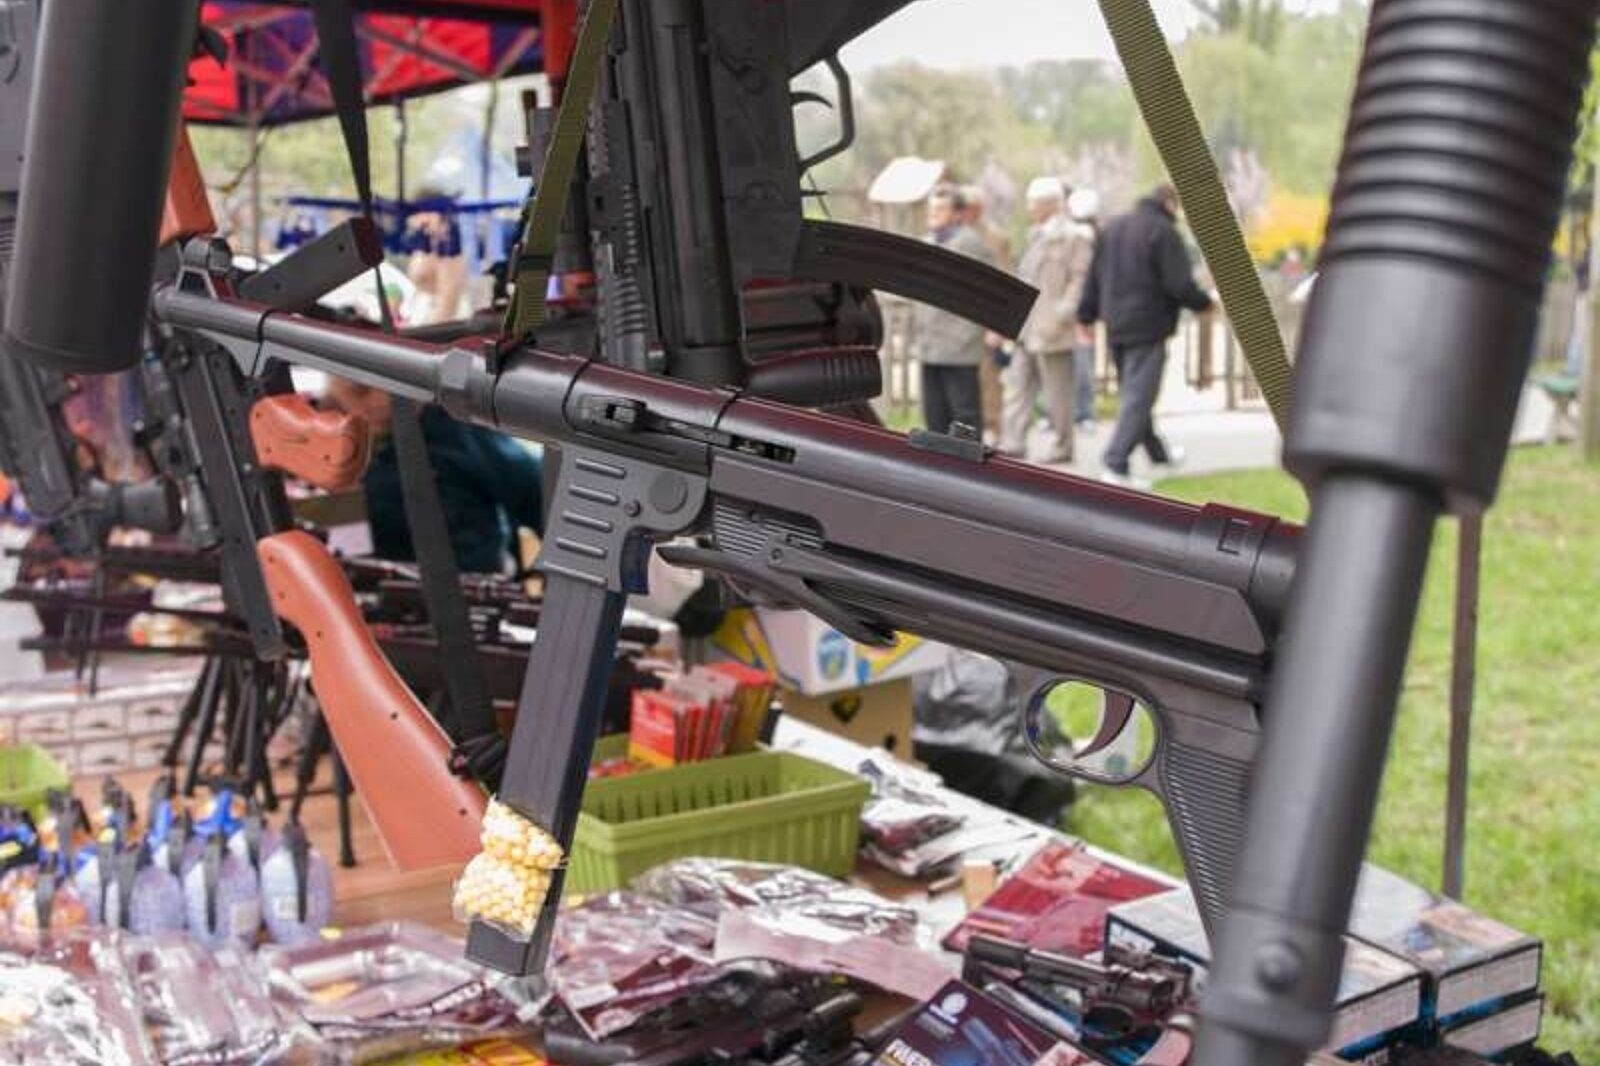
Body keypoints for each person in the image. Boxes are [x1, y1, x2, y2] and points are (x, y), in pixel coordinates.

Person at [326, 379, 544, 575]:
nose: (370, 403)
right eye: (355, 393)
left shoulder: (464, 433)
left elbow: (541, 499)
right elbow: (344, 546)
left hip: (471, 590)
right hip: (374, 592)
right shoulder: (331, 445)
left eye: (367, 389)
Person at [1077, 184, 1212, 488]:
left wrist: (1085, 315)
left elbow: (1094, 277)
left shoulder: (1112, 228)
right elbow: (1179, 284)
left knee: (1135, 393)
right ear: (1169, 203)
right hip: (1149, 325)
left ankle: (1158, 454)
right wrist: (1204, 303)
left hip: (1115, 324)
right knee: (1139, 397)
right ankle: (1115, 463)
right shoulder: (1163, 231)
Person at [999, 177, 1094, 463]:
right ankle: (1013, 442)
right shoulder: (1036, 235)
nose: (1029, 208)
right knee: (1018, 387)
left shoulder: (1075, 236)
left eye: (1034, 203)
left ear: (1051, 204)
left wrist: (1063, 313)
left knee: (1058, 393)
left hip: (1053, 328)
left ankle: (1062, 447)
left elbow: (1080, 279)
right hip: (1027, 327)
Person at [911, 184, 994, 437]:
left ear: (957, 214)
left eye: (940, 209)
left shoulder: (971, 243)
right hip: (929, 345)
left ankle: (968, 461)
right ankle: (937, 460)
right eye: (931, 208)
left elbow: (987, 290)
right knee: (934, 414)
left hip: (959, 345)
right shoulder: (926, 242)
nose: (933, 213)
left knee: (964, 416)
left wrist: (970, 333)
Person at [961, 185, 1013, 441]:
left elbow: (1005, 279)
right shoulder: (957, 234)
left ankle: (994, 429)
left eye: (966, 208)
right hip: (960, 320)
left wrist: (998, 325)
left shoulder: (995, 237)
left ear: (977, 209)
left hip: (985, 319)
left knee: (989, 378)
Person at [1066, 187, 1102, 430]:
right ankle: (1082, 412)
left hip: (1080, 309)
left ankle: (1083, 412)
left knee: (1080, 363)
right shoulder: (1095, 236)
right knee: (1081, 362)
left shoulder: (1085, 238)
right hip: (1083, 310)